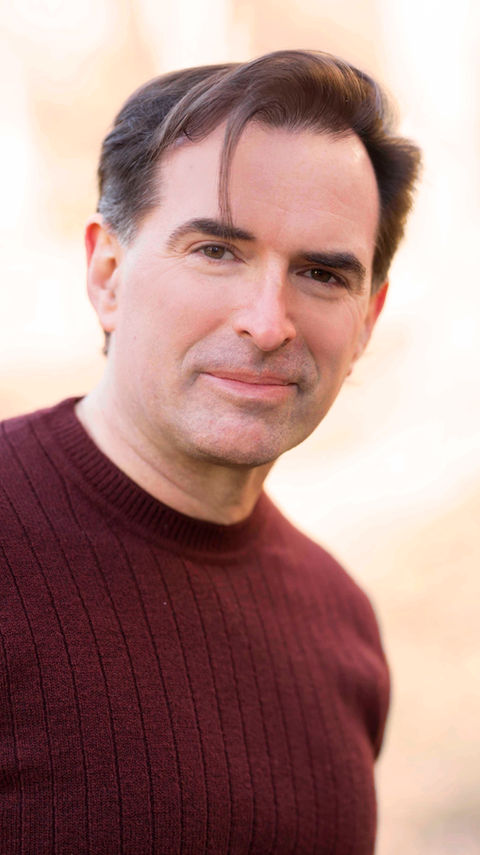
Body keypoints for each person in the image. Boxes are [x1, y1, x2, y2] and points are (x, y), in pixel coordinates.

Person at [0, 50, 420, 854]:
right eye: (217, 251)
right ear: (107, 272)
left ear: (368, 319)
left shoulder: (343, 625)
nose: (268, 321)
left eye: (323, 273)